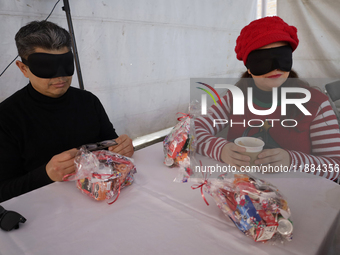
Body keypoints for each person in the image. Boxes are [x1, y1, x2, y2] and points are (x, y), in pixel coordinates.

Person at [0, 21, 134, 202]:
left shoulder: (88, 102)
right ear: (24, 68)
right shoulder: (6, 117)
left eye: (65, 63)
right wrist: (45, 174)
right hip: (44, 211)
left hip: (100, 198)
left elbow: (110, 146)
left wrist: (121, 148)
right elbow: (4, 189)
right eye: (45, 66)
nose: (60, 75)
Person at [195, 16, 340, 180]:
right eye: (262, 60)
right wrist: (220, 149)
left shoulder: (315, 103)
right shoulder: (235, 97)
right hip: (241, 192)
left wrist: (292, 161)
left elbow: (335, 166)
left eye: (282, 56)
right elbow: (192, 131)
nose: (275, 68)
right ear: (249, 68)